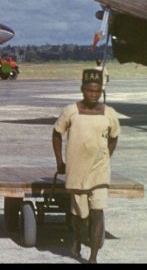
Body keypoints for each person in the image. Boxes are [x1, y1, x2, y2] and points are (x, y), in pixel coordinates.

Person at [52, 68, 121, 263]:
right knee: (80, 215)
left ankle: (92, 257)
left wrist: (106, 156)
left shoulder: (109, 114)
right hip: (76, 171)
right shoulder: (71, 111)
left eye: (97, 91)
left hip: (99, 171)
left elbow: (114, 138)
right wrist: (60, 162)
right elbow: (57, 134)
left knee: (97, 212)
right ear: (82, 90)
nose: (93, 95)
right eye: (90, 91)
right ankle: (76, 239)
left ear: (101, 92)